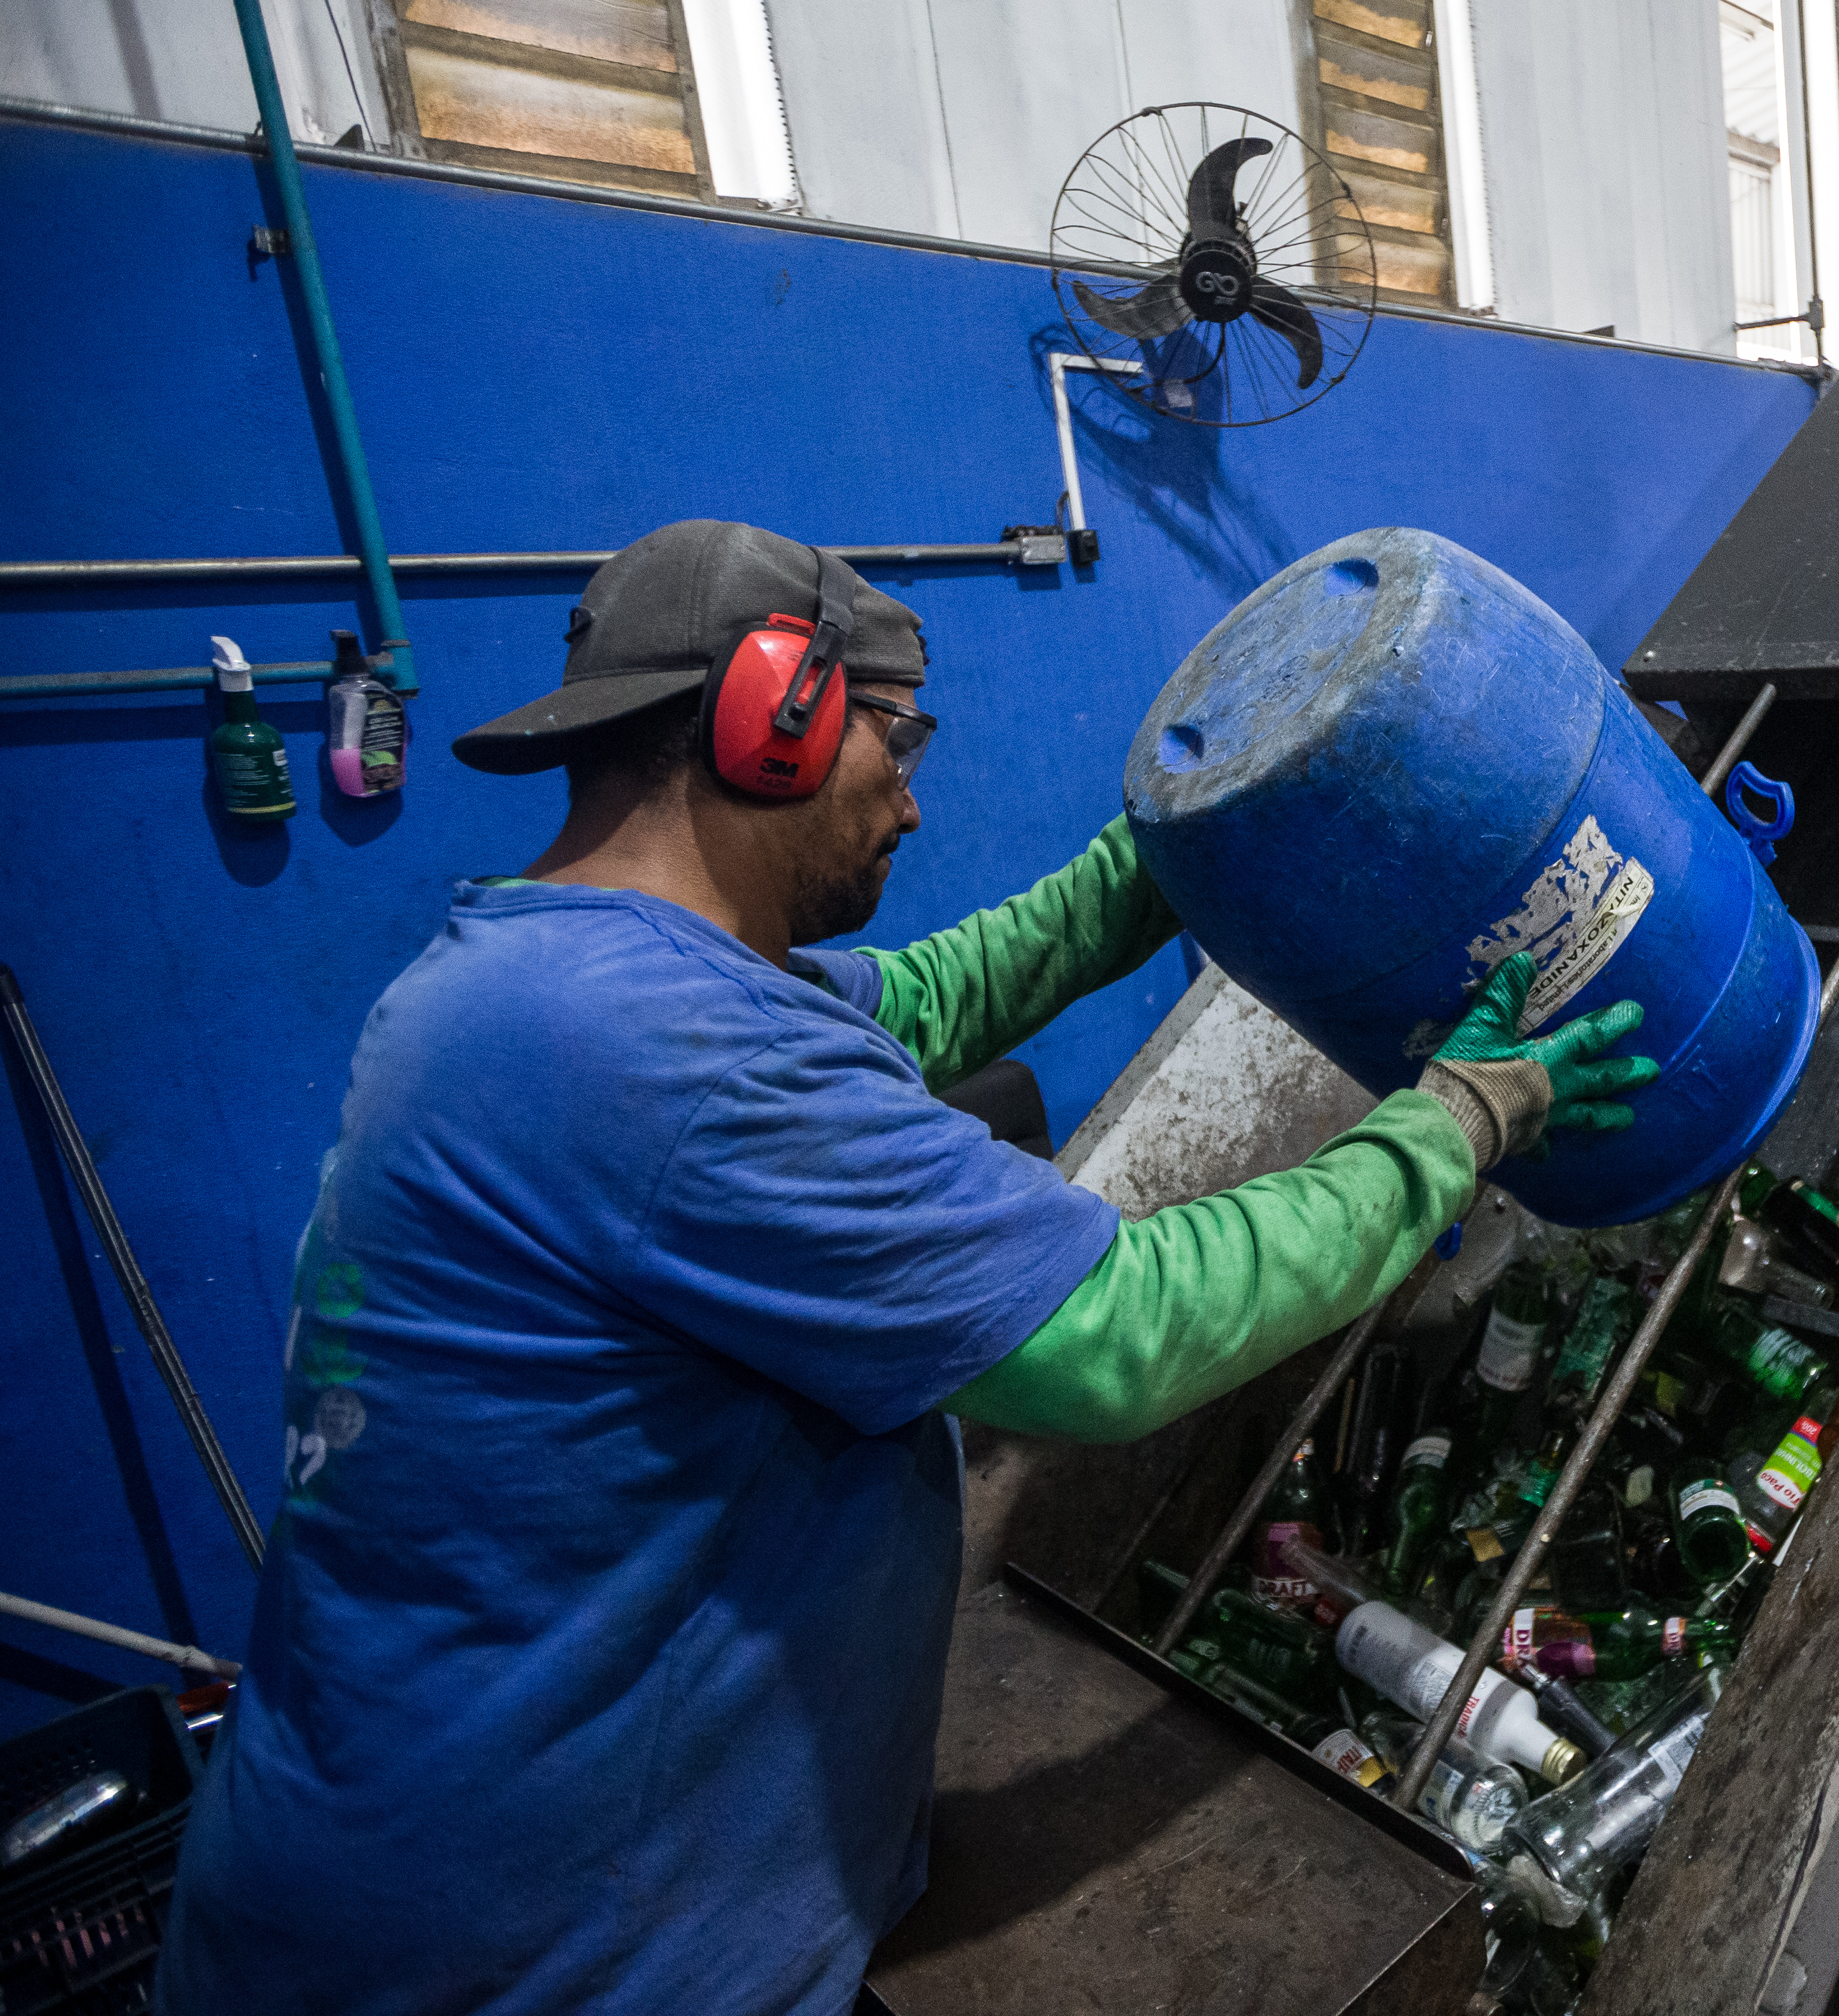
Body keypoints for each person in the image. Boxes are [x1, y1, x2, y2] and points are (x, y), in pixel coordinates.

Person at [157, 522, 1660, 2015]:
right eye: (900, 741)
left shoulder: (543, 981)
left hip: (410, 1889)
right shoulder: (664, 1060)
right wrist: (1457, 1123)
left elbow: (939, 991)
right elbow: (1120, 1332)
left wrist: (1180, 849)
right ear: (776, 717)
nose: (915, 800)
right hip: (523, 1972)